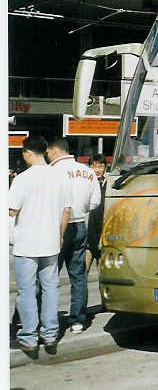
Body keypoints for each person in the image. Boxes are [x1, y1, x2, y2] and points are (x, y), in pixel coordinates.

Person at [9, 135, 72, 358]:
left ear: (27, 153)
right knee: (50, 289)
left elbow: (11, 211)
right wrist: (60, 236)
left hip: (26, 244)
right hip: (51, 243)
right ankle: (51, 335)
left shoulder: (22, 180)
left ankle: (29, 338)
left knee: (26, 291)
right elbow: (66, 211)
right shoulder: (60, 178)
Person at [46, 138, 102, 333]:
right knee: (78, 276)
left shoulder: (51, 172)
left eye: (48, 151)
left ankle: (48, 321)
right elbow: (95, 202)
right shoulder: (87, 172)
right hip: (80, 225)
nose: (47, 155)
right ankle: (78, 320)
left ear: (55, 150)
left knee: (49, 276)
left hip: (56, 227)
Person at [85, 154, 108, 277]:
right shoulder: (85, 184)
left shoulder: (108, 184)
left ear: (105, 168)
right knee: (83, 271)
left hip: (103, 233)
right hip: (88, 233)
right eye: (94, 166)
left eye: (100, 166)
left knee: (102, 274)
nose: (97, 169)